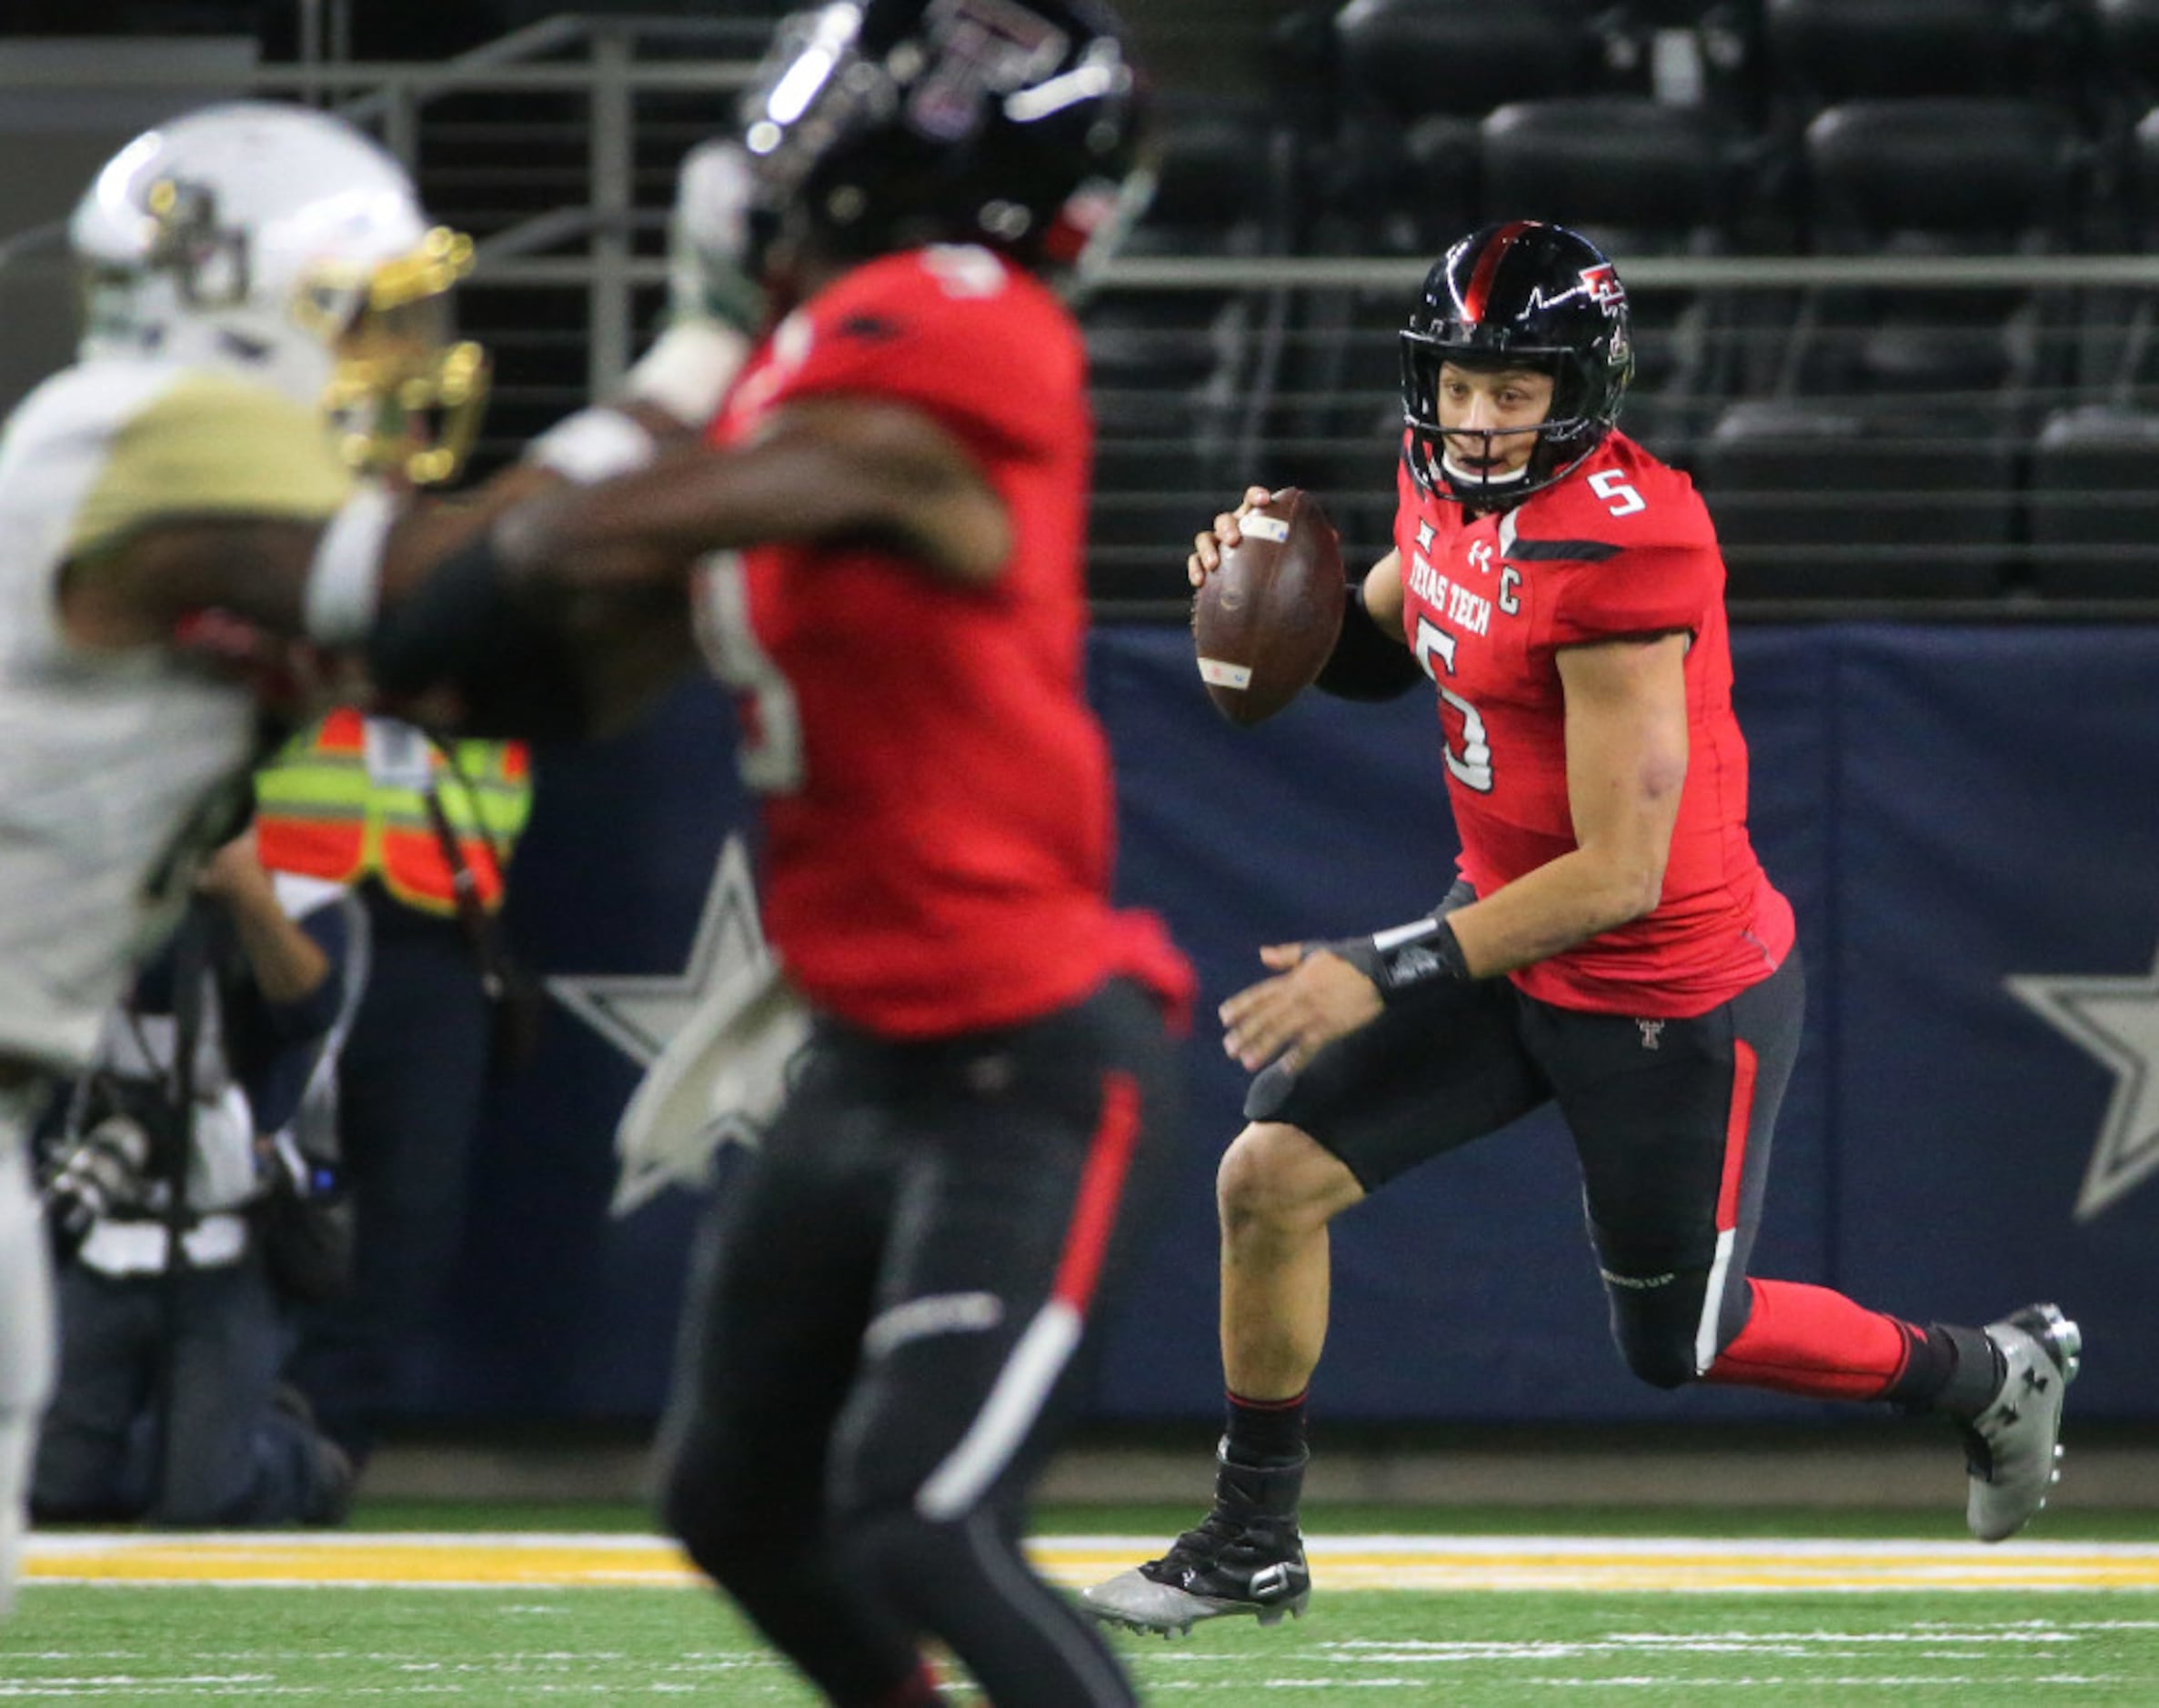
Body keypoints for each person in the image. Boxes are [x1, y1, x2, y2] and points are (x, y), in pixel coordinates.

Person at [1081, 220, 2083, 1639]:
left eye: (1514, 392)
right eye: (1457, 385)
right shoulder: (1439, 485)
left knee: (1681, 1339)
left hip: (1663, 986)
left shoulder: (1627, 544)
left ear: (1582, 388)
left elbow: (1620, 872)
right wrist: (1259, 595)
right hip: (1504, 931)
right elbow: (1388, 645)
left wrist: (1380, 965)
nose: (1475, 420)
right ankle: (1249, 1534)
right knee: (1268, 1175)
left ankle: (1986, 1371)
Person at [357, 3, 1190, 1699]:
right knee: (734, 1499)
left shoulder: (959, 321)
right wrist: (475, 614)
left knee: (914, 1517)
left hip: (1022, 1048)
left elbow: (769, 482)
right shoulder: (797, 371)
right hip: (861, 1061)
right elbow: (544, 659)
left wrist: (584, 485)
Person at [0, 96, 525, 1620]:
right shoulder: (157, 435)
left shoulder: (170, 451)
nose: (404, 362)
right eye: (365, 320)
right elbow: (471, 611)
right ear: (233, 306)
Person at [31, 829, 358, 1528]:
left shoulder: (303, 898)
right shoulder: (99, 891)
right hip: (111, 1218)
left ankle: (295, 1458)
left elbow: (306, 1009)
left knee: (203, 1505)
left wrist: (245, 892)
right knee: (54, 1489)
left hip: (230, 1230)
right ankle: (175, 1438)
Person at [258, 711, 533, 1467]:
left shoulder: (490, 601)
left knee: (412, 1209)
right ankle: (208, 1436)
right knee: (234, 1174)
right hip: (267, 904)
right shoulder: (283, 589)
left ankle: (322, 1450)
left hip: (443, 920)